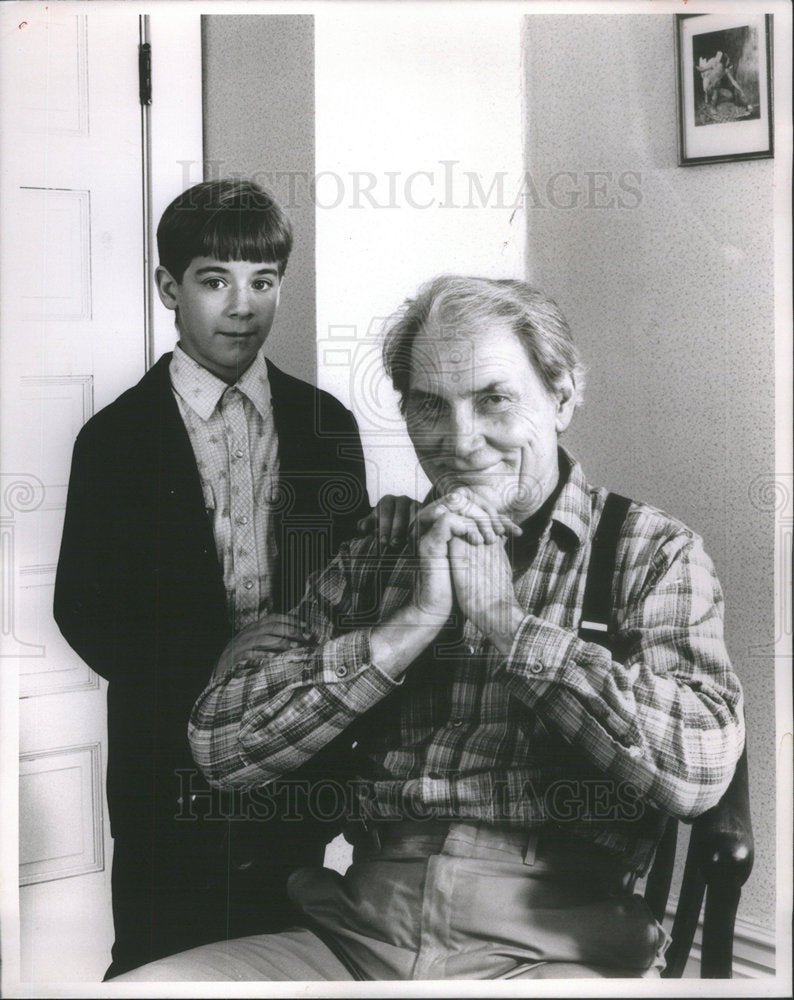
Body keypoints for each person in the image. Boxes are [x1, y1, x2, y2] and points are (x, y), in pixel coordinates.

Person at [113, 275, 745, 982]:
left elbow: (698, 767)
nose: (460, 442)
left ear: (562, 396)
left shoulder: (650, 550)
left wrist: (508, 626)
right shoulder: (381, 549)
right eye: (429, 407)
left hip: (554, 951)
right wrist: (404, 630)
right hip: (356, 937)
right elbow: (219, 744)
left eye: (494, 400)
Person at [54, 178, 412, 978]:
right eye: (215, 280)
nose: (242, 306)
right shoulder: (114, 440)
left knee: (282, 949)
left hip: (293, 755)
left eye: (264, 282)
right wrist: (213, 652)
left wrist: (384, 548)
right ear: (168, 290)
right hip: (165, 760)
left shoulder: (325, 425)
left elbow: (343, 585)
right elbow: (82, 607)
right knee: (163, 955)